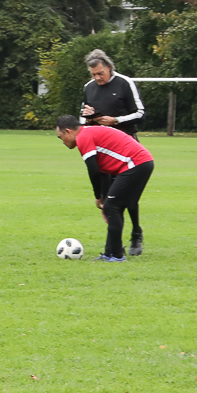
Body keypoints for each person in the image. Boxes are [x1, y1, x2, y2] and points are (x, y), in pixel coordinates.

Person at [55, 114, 153, 262]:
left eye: (60, 137)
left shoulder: (83, 137)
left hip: (136, 164)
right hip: (141, 163)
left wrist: (98, 196)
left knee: (112, 206)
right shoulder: (88, 132)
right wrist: (104, 198)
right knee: (113, 206)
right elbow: (103, 172)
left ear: (68, 131)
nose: (62, 141)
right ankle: (110, 253)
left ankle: (117, 256)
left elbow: (93, 171)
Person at [78, 48, 147, 253]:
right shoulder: (89, 87)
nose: (97, 78)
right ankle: (116, 245)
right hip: (103, 150)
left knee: (128, 195)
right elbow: (82, 119)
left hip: (127, 147)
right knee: (109, 197)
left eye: (100, 73)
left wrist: (115, 120)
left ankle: (136, 233)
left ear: (109, 67)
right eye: (93, 74)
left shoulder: (124, 83)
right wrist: (87, 117)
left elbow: (140, 113)